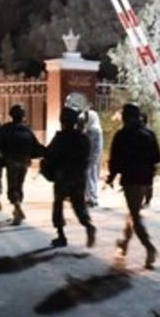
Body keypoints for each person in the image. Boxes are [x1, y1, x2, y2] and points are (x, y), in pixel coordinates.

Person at [107, 102, 160, 270]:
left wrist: (111, 176)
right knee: (133, 212)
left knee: (135, 215)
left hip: (131, 180)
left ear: (125, 117)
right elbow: (157, 157)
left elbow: (115, 160)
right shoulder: (149, 134)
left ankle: (149, 248)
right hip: (146, 180)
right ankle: (123, 243)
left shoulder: (122, 135)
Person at [43, 105, 96, 248]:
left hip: (63, 176)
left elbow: (49, 154)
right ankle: (88, 225)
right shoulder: (83, 138)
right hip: (79, 176)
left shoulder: (60, 138)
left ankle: (61, 235)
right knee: (79, 204)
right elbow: (87, 157)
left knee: (58, 204)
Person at [0, 104, 44, 226]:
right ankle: (16, 211)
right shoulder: (27, 130)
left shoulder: (5, 129)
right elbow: (36, 146)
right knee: (19, 185)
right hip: (24, 161)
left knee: (12, 186)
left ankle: (17, 208)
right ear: (23, 116)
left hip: (11, 161)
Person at [84, 108, 104, 207]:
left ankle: (92, 198)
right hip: (94, 156)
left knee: (89, 176)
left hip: (90, 157)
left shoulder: (92, 131)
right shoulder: (97, 129)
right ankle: (92, 197)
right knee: (93, 175)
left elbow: (89, 144)